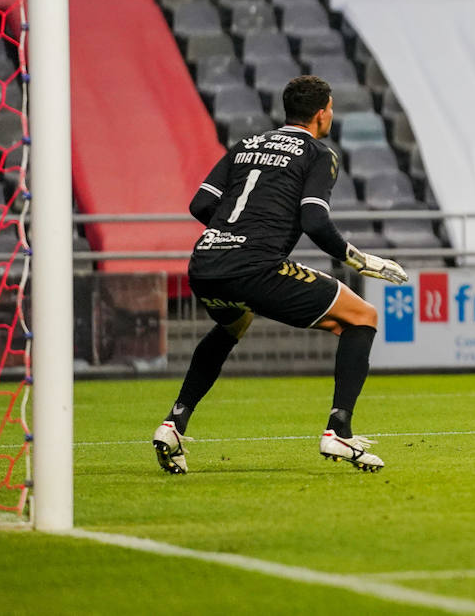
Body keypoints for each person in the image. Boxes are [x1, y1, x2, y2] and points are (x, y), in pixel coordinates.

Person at [152, 75, 409, 474]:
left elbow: (201, 204)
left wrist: (232, 235)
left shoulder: (246, 145)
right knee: (362, 317)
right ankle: (338, 430)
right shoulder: (319, 154)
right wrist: (362, 261)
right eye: (332, 109)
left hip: (205, 263)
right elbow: (315, 221)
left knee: (233, 325)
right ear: (322, 112)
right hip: (254, 266)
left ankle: (174, 423)